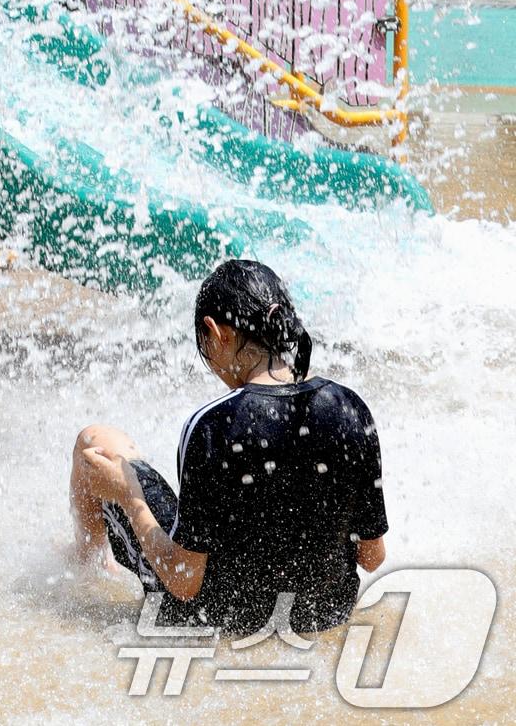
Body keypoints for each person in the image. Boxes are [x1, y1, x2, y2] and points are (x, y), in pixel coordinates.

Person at [68, 260, 388, 634]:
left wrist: (128, 496)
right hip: (323, 613)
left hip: (217, 619)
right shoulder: (349, 408)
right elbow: (371, 556)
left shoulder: (213, 425)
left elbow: (185, 581)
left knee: (95, 441)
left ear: (216, 333)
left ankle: (86, 567)